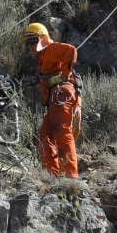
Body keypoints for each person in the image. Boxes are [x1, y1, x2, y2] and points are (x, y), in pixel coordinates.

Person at [23, 23, 81, 178]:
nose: (30, 47)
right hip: (55, 99)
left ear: (41, 38)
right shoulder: (43, 58)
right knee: (44, 135)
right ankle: (52, 175)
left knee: (62, 132)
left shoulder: (51, 49)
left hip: (61, 94)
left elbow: (71, 50)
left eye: (32, 42)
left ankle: (71, 177)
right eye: (28, 44)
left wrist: (64, 75)